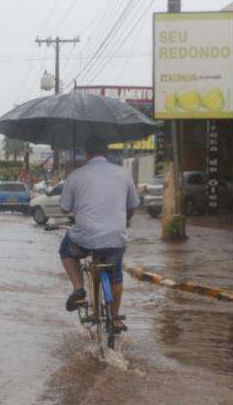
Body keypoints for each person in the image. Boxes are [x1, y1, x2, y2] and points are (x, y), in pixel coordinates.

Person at [58, 136, 140, 332]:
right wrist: (125, 221)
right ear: (107, 153)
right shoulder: (123, 174)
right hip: (115, 237)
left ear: (87, 154)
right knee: (116, 276)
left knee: (65, 251)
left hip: (84, 238)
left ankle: (78, 288)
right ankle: (115, 318)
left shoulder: (76, 175)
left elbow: (64, 208)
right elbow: (133, 205)